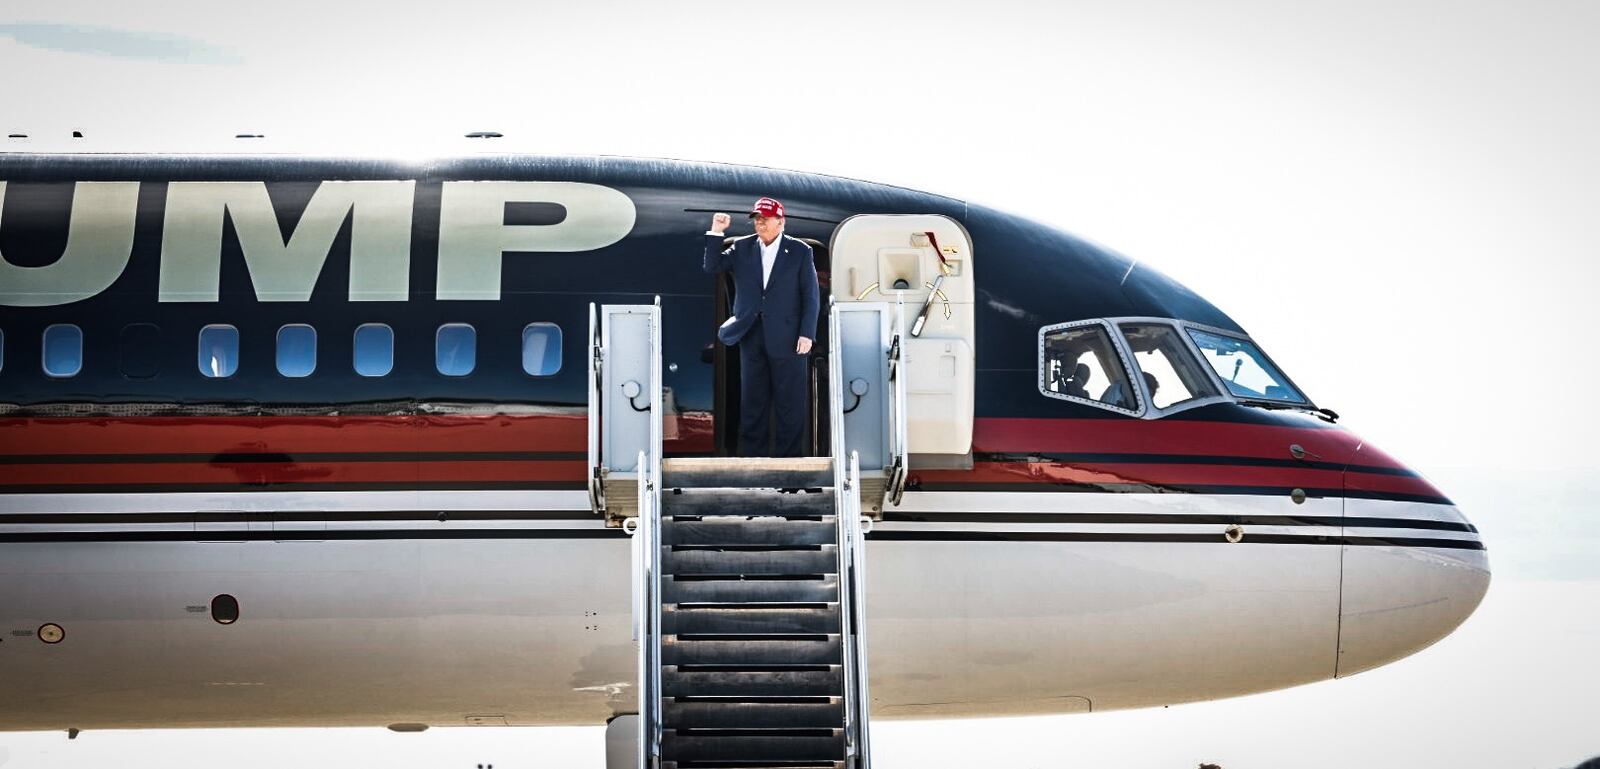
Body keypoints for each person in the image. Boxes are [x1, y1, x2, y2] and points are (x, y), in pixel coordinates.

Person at [704, 197, 819, 457]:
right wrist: (716, 232)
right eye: (757, 219)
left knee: (789, 405)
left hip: (789, 338)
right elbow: (712, 266)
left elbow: (810, 295)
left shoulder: (800, 251)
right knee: (753, 403)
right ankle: (753, 464)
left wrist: (807, 333)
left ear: (781, 221)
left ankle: (788, 467)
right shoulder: (741, 248)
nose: (760, 223)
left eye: (765, 219)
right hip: (751, 335)